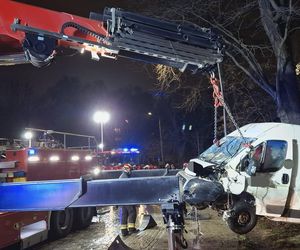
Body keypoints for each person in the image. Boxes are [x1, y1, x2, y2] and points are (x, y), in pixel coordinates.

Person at [119, 164, 138, 236]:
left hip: (123, 199)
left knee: (124, 214)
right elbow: (128, 188)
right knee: (132, 212)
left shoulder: (122, 176)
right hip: (127, 198)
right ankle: (131, 229)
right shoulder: (125, 177)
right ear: (127, 169)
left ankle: (123, 231)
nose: (131, 171)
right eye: (130, 169)